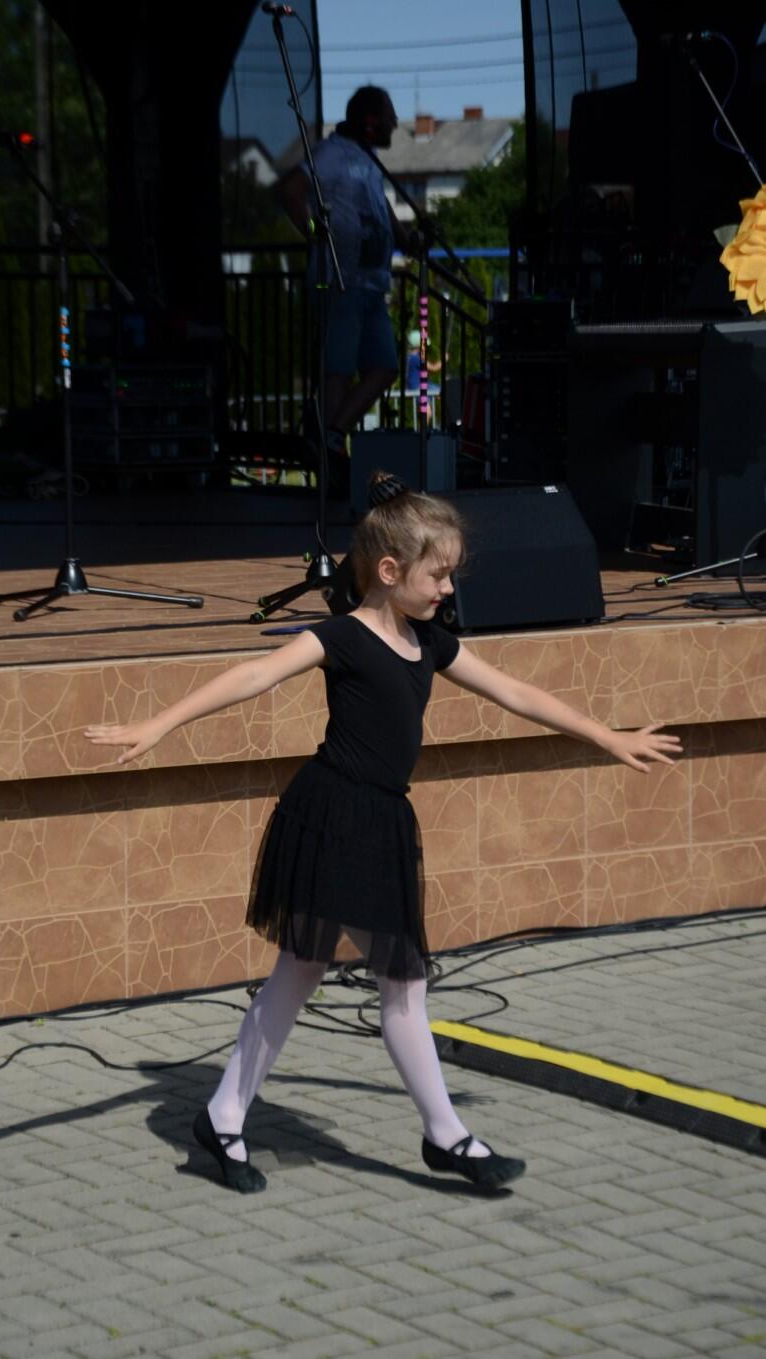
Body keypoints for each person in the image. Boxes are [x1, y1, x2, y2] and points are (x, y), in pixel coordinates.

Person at [85, 472, 682, 1195]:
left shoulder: (430, 642)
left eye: (452, 575)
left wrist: (606, 736)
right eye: (439, 575)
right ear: (390, 571)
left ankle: (227, 1115)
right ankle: (443, 1135)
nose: (448, 590)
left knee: (311, 973)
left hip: (381, 820)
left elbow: (516, 693)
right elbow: (253, 675)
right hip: (333, 813)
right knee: (393, 981)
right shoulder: (340, 636)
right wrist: (158, 724)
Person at [278, 86, 416, 457]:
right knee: (338, 369)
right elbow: (291, 190)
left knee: (384, 366)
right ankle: (327, 446)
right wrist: (313, 232)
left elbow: (379, 205)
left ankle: (332, 433)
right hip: (339, 280)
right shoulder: (332, 153)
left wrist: (406, 239)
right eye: (389, 116)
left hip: (370, 284)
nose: (395, 123)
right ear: (370, 122)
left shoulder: (366, 159)